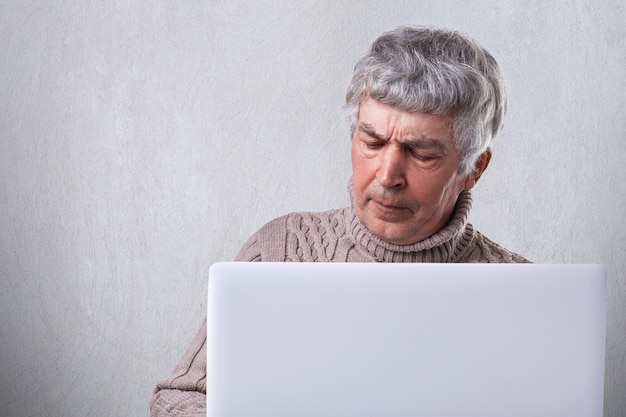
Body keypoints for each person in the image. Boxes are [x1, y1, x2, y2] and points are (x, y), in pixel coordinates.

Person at [149, 25, 528, 416]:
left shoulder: (525, 294)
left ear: (474, 169)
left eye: (420, 153)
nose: (386, 176)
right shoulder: (279, 249)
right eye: (373, 142)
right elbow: (180, 399)